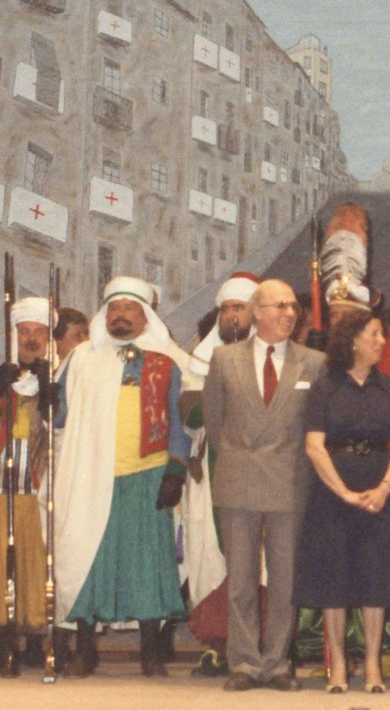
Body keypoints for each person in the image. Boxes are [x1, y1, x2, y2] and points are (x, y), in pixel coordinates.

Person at [53, 276, 194, 678]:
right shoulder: (82, 359)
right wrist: (46, 397)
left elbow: (181, 420)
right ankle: (85, 650)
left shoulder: (169, 360)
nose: (120, 315)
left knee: (147, 564)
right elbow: (60, 417)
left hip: (148, 475)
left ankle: (150, 652)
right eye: (114, 308)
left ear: (145, 314)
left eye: (129, 308)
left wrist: (176, 468)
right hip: (92, 474)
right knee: (90, 559)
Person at [198, 280, 322, 691]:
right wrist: (240, 457)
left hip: (290, 481)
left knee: (286, 579)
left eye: (293, 307)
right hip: (239, 478)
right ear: (256, 312)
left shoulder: (314, 362)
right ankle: (245, 663)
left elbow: (315, 425)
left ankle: (277, 663)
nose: (290, 313)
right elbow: (215, 421)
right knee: (242, 578)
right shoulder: (224, 358)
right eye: (280, 306)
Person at [295, 311, 390, 694]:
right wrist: (343, 492)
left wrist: (385, 487)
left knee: (377, 577)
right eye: (374, 334)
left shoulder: (389, 387)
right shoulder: (324, 388)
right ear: (353, 341)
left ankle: (373, 666)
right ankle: (339, 666)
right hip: (333, 494)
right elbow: (314, 446)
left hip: (379, 492)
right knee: (335, 579)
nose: (382, 341)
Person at [0, 297, 55, 676]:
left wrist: (51, 394)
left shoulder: (59, 376)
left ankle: (37, 643)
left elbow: (64, 430)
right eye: (24, 332)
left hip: (40, 482)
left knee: (36, 560)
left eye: (39, 332)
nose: (31, 338)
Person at [180, 272, 259, 678]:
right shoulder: (201, 359)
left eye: (239, 308)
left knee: (260, 559)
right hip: (210, 469)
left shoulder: (272, 357)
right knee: (211, 556)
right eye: (226, 309)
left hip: (260, 470)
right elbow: (190, 413)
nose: (231, 316)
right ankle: (217, 645)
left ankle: (260, 645)